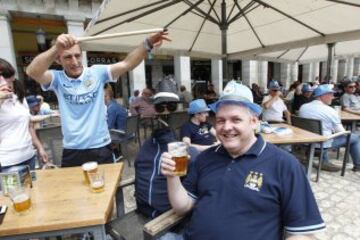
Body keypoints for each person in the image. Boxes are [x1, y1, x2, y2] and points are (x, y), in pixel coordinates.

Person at [160, 80, 325, 240]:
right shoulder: (205, 158)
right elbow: (182, 207)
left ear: (254, 122)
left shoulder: (285, 165)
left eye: (236, 119)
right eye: (220, 120)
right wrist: (172, 177)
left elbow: (304, 234)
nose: (226, 127)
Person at [25, 31, 170, 167]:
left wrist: (147, 44)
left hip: (101, 146)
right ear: (58, 59)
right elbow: (32, 72)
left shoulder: (96, 73)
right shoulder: (56, 78)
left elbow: (127, 64)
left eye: (77, 55)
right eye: (68, 57)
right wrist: (56, 47)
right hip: (72, 149)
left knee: (110, 190)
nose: (75, 62)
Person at [135, 79, 198, 218]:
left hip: (168, 219)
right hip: (144, 213)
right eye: (159, 107)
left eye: (171, 106)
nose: (164, 112)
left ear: (181, 109)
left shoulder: (190, 153)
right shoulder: (147, 146)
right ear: (154, 111)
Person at [0, 58, 48, 171]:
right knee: (15, 189)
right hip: (8, 160)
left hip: (29, 155)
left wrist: (40, 147)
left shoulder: (19, 98)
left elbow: (29, 125)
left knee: (33, 188)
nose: (6, 82)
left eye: (8, 77)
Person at [299, 84, 360, 172]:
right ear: (322, 95)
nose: (333, 97)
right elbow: (342, 132)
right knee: (355, 137)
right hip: (321, 144)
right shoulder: (331, 111)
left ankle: (324, 161)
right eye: (331, 94)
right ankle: (358, 165)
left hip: (305, 142)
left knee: (324, 132)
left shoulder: (303, 107)